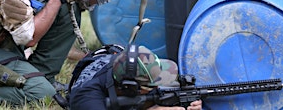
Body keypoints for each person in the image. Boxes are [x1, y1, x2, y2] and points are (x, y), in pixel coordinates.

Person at [68, 44, 203, 110]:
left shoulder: (124, 63)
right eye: (151, 86)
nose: (157, 88)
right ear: (130, 88)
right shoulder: (88, 99)